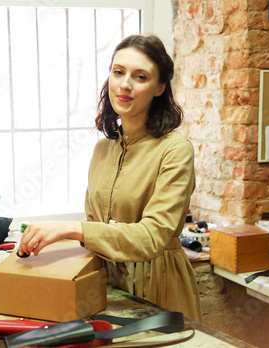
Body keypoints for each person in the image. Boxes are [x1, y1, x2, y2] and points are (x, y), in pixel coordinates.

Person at [18, 34, 203, 323]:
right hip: (107, 289)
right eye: (118, 72)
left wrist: (70, 229)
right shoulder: (102, 149)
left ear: (160, 88)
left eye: (140, 76)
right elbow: (95, 229)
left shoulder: (175, 150)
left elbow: (152, 237)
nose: (125, 84)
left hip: (160, 289)